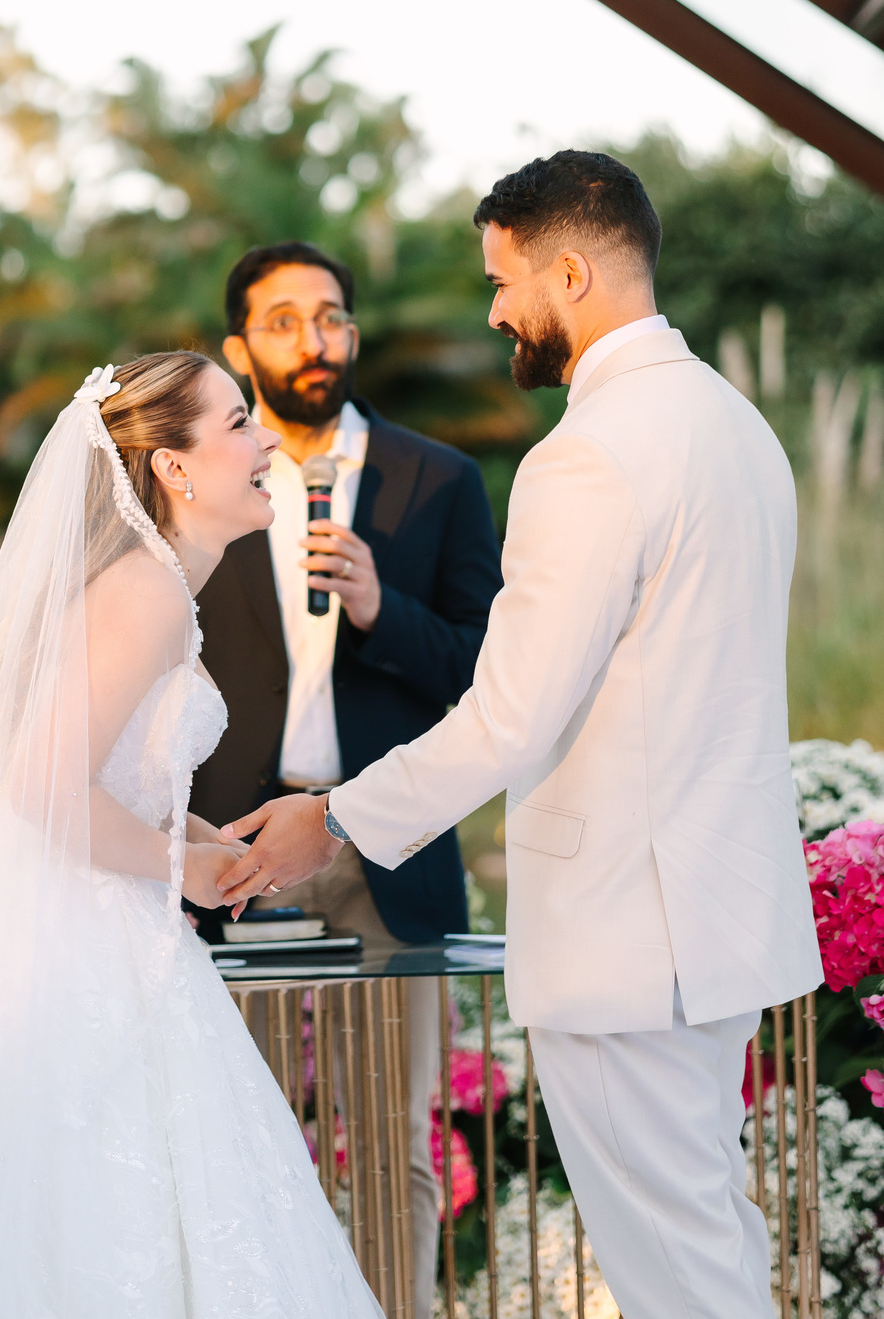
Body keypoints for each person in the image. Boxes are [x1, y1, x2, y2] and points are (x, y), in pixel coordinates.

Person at [217, 152, 824, 1319]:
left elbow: (509, 713)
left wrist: (335, 818)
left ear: (573, 270)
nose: (494, 311)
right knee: (710, 1238)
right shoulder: (736, 426)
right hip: (719, 921)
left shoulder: (585, 455)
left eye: (505, 283)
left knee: (675, 1271)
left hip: (628, 940)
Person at [0, 353, 383, 1319]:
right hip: (41, 939)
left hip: (50, 904)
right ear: (174, 468)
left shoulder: (152, 582)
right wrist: (187, 870)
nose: (264, 445)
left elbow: (102, 773)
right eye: (239, 423)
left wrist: (209, 840)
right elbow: (41, 787)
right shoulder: (150, 591)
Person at [190, 239, 502, 1319]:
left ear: (353, 333)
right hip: (238, 856)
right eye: (283, 320)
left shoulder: (439, 481)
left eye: (331, 317)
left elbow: (489, 674)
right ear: (239, 348)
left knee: (393, 1149)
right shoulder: (201, 486)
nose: (313, 339)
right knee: (245, 1142)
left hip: (383, 852)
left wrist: (386, 612)